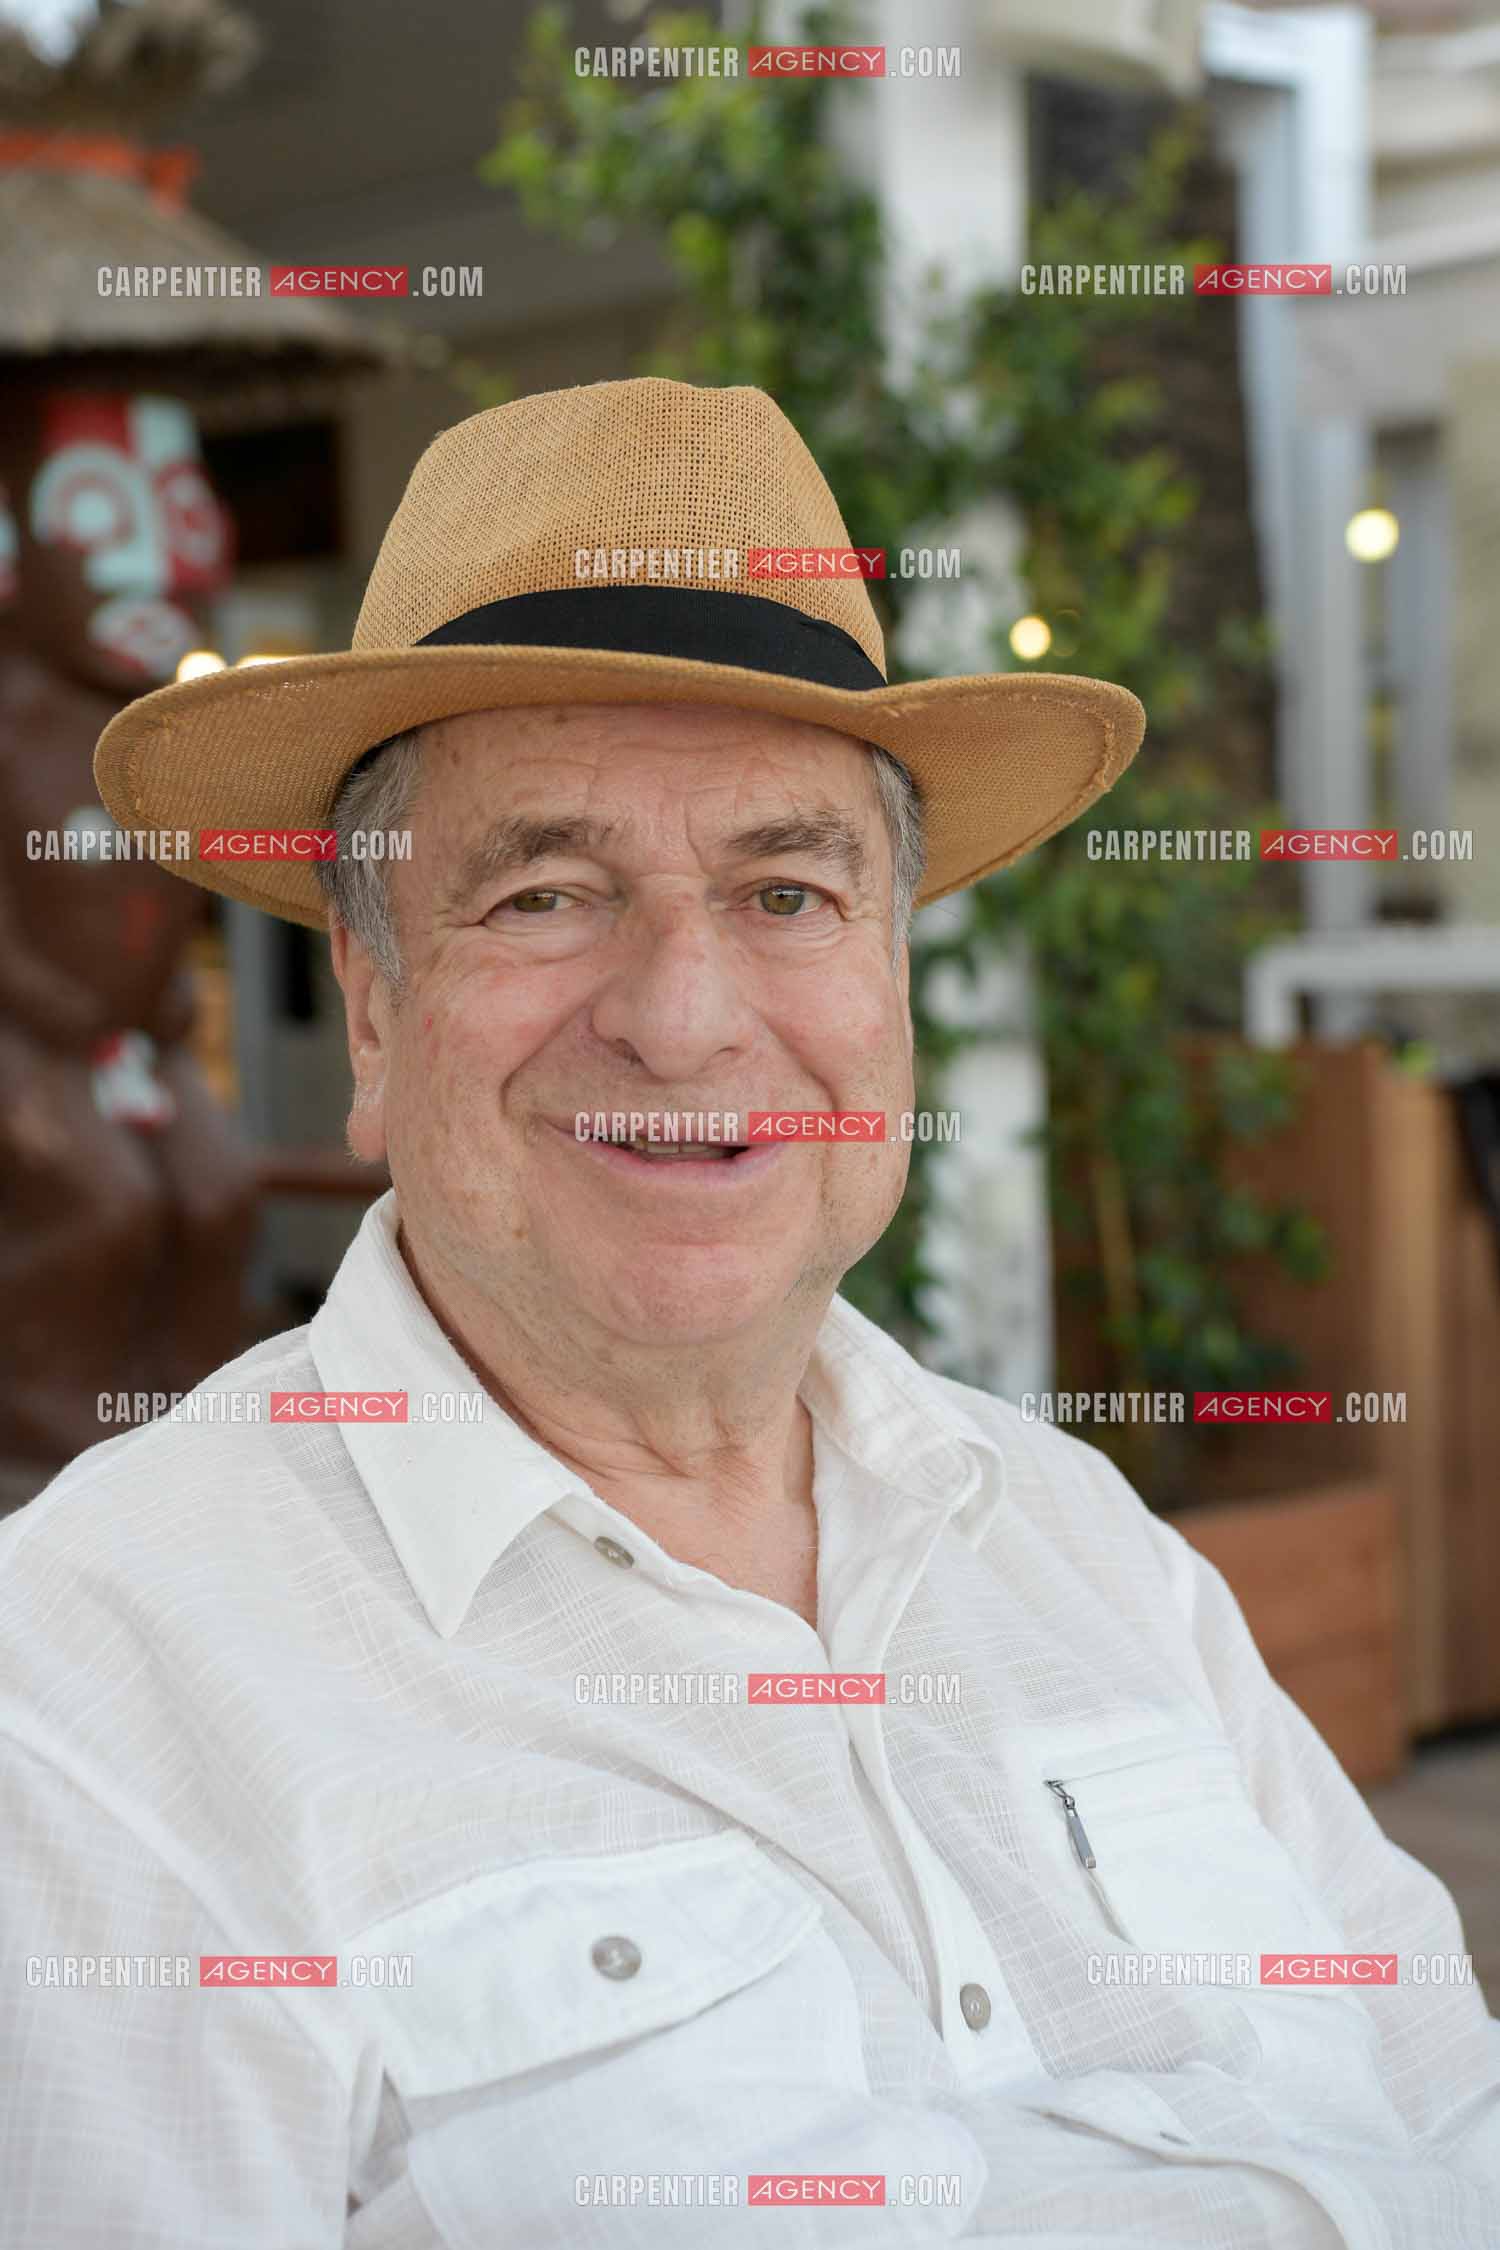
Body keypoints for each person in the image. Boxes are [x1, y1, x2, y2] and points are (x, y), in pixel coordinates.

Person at [1, 377, 1496, 2248]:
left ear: (890, 990)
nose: (687, 1014)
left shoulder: (1083, 1546)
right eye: (546, 893)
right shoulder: (90, 1703)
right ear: (373, 1015)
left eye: (787, 889)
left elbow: (1451, 2104)